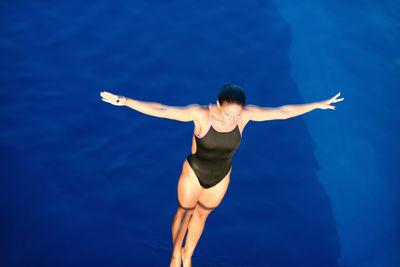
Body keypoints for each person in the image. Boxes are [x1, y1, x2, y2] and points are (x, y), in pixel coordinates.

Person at [100, 84, 344, 267]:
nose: (233, 118)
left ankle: (188, 255)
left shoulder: (244, 117)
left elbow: (281, 111)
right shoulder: (200, 115)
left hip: (220, 178)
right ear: (218, 104)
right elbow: (163, 110)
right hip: (194, 173)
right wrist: (124, 100)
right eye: (229, 113)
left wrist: (315, 104)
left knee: (201, 217)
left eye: (236, 114)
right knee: (184, 213)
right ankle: (176, 254)